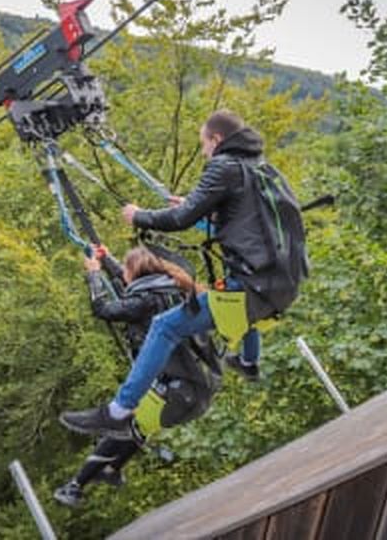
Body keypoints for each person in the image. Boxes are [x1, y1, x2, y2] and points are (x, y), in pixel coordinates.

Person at [61, 109, 306, 438]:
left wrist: (140, 216)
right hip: (283, 281)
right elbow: (244, 223)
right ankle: (249, 362)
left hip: (253, 286)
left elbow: (180, 221)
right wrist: (195, 204)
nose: (204, 151)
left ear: (216, 140)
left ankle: (118, 411)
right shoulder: (261, 168)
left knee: (165, 327)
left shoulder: (223, 164)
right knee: (232, 316)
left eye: (204, 144)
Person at [55, 246, 219, 507]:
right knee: (136, 423)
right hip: (198, 384)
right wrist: (107, 259)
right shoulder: (175, 289)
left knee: (122, 421)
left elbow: (104, 309)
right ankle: (109, 470)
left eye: (125, 268)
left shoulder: (145, 301)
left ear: (135, 272)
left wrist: (94, 275)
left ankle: (76, 486)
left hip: (179, 386)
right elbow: (130, 280)